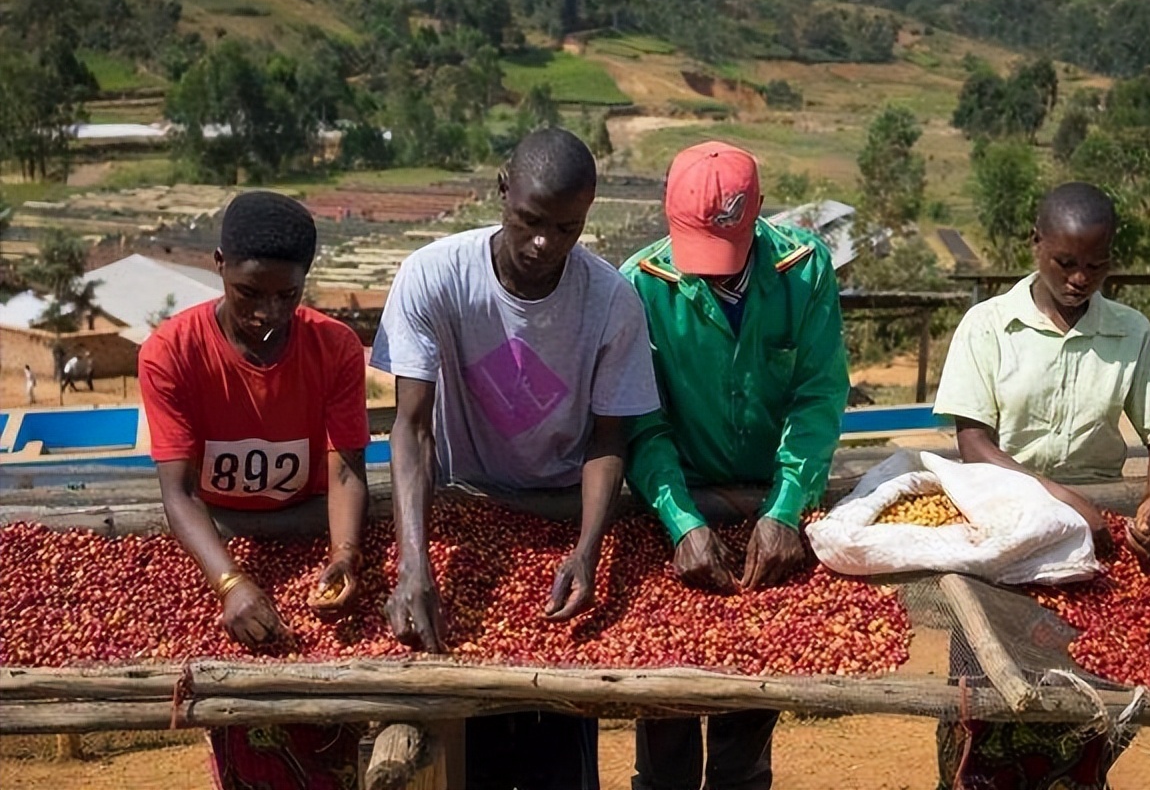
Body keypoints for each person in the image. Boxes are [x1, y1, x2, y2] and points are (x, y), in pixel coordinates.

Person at [369, 127, 660, 790]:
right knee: (459, 750)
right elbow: (411, 430)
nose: (543, 244)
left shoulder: (611, 301)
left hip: (559, 515)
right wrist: (414, 563)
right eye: (530, 220)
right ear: (502, 189)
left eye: (567, 228)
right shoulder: (434, 276)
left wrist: (586, 549)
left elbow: (608, 439)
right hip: (462, 512)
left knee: (556, 738)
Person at [932, 181, 1150, 789]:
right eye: (1066, 263)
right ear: (1036, 245)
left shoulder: (1129, 331)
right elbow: (974, 444)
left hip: (1093, 552)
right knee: (985, 710)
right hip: (1003, 537)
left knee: (1084, 705)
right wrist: (1066, 501)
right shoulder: (989, 326)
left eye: (1097, 265)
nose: (1081, 278)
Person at [621, 142, 850, 790]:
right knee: (665, 705)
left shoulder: (804, 270)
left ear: (754, 223)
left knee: (748, 713)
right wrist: (679, 521)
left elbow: (817, 396)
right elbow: (642, 421)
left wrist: (785, 508)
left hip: (769, 508)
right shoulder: (642, 285)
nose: (712, 276)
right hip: (676, 503)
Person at [138, 190, 372, 790]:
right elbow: (180, 493)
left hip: (310, 532)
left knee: (330, 735)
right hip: (222, 544)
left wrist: (344, 554)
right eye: (250, 293)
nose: (268, 312)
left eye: (286, 295)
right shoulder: (172, 353)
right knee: (248, 738)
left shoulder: (336, 347)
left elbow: (345, 468)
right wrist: (232, 583)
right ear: (218, 263)